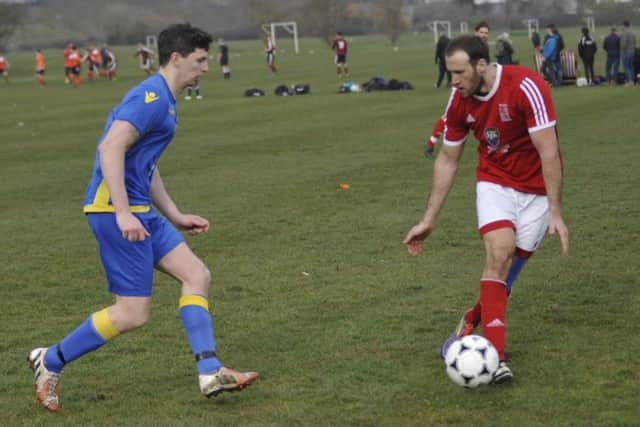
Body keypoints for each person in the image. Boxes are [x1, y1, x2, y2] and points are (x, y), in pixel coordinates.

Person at [27, 23, 259, 413]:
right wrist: (122, 212)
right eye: (200, 60)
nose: (205, 68)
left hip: (141, 211)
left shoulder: (166, 99)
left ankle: (210, 370)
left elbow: (145, 165)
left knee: (196, 275)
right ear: (176, 58)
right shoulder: (150, 97)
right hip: (115, 212)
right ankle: (49, 360)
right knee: (132, 314)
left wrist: (175, 213)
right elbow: (110, 147)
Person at [404, 35, 569, 384]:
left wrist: (555, 211)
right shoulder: (458, 100)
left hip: (537, 189)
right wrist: (428, 220)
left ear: (481, 65)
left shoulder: (526, 85)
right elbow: (448, 159)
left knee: (508, 271)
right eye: (450, 73)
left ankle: (473, 317)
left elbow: (549, 152)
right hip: (495, 181)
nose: (454, 81)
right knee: (499, 253)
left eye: (460, 72)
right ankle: (497, 359)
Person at [620, 20, 637, 86]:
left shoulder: (624, 33)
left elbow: (623, 45)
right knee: (631, 67)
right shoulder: (633, 33)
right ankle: (632, 80)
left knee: (626, 67)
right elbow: (635, 42)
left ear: (624, 25)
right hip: (632, 51)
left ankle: (629, 81)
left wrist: (621, 48)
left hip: (626, 52)